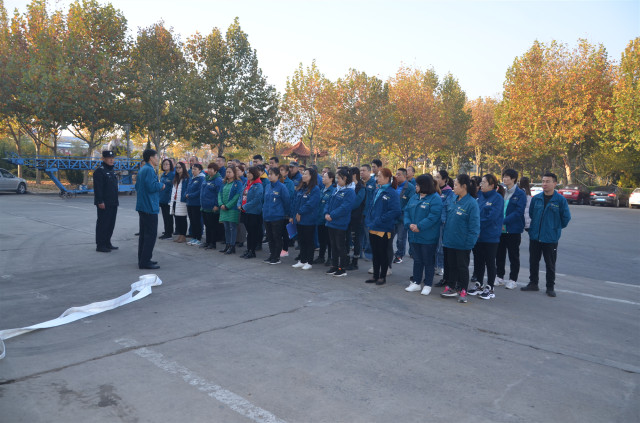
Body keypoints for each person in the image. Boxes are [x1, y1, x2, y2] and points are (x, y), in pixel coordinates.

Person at [522, 172, 571, 297]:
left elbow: (566, 218)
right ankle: (533, 283)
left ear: (555, 183)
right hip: (535, 236)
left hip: (550, 238)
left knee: (550, 264)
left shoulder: (560, 200)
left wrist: (554, 228)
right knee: (533, 261)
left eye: (548, 181)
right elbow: (531, 214)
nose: (544, 184)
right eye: (543, 181)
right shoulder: (536, 198)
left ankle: (550, 287)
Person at [440, 174, 480, 303]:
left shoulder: (471, 203)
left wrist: (470, 243)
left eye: (456, 185)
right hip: (449, 240)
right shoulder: (453, 198)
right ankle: (451, 287)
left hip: (463, 242)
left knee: (462, 267)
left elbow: (474, 226)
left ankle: (463, 290)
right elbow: (446, 214)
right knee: (451, 265)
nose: (454, 187)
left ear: (464, 186)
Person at [404, 174, 442, 295]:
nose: (416, 186)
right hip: (414, 235)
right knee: (417, 260)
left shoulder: (435, 199)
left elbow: (433, 217)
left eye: (418, 185)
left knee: (428, 261)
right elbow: (406, 211)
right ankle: (416, 282)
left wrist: (419, 226)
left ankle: (428, 284)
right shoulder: (414, 197)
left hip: (427, 237)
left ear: (424, 185)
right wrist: (409, 224)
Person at [468, 174, 504, 300]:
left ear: (492, 185)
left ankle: (490, 287)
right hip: (478, 236)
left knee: (490, 261)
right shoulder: (479, 196)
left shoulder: (497, 198)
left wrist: (476, 226)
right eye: (481, 182)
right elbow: (474, 214)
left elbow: (491, 217)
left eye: (484, 182)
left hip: (490, 236)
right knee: (478, 260)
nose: (481, 185)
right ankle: (479, 284)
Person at [365, 167, 401, 285]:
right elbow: (371, 206)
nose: (377, 178)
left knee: (383, 253)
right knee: (375, 253)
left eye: (379, 176)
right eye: (377, 176)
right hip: (373, 226)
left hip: (384, 227)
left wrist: (380, 220)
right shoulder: (378, 190)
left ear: (387, 178)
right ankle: (375, 275)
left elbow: (395, 211)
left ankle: (382, 276)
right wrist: (369, 219)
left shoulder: (392, 192)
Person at [495, 169, 527, 289]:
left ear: (513, 179)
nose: (504, 179)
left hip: (513, 229)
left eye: (507, 177)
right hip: (500, 229)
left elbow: (519, 212)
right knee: (500, 254)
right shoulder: (502, 192)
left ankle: (513, 279)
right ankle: (499, 277)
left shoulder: (520, 194)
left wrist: (503, 221)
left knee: (513, 255)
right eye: (504, 176)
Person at [135, 149, 165, 269]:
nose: (158, 159)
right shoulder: (149, 170)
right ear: (151, 158)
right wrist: (161, 185)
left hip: (143, 205)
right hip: (149, 206)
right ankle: (145, 261)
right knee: (150, 235)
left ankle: (143, 259)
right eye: (156, 156)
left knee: (144, 235)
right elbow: (151, 187)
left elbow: (137, 186)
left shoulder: (143, 169)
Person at [324, 168, 356, 277]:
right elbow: (328, 202)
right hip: (331, 222)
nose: (337, 180)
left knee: (340, 246)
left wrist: (332, 215)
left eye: (339, 178)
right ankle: (334, 266)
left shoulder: (350, 192)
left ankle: (342, 268)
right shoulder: (336, 189)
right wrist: (326, 213)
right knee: (333, 246)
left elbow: (345, 207)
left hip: (340, 223)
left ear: (345, 178)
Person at [290, 168, 321, 270]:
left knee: (309, 240)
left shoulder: (315, 189)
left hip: (308, 219)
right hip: (299, 219)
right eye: (303, 174)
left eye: (305, 174)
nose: (303, 176)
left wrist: (300, 212)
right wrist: (293, 215)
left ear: (311, 176)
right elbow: (294, 202)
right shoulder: (301, 188)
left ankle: (309, 261)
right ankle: (302, 260)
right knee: (301, 240)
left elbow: (311, 204)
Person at [263, 167, 291, 264]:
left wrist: (286, 214)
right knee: (270, 237)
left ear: (277, 175)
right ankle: (272, 255)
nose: (269, 176)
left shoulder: (282, 187)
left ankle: (276, 257)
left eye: (271, 174)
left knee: (277, 237)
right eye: (269, 174)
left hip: (277, 216)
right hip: (267, 216)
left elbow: (286, 201)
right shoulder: (267, 186)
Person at [94, 150, 119, 252]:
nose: (111, 160)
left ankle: (107, 242)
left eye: (112, 158)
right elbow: (98, 188)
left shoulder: (112, 171)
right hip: (104, 203)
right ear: (103, 159)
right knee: (103, 224)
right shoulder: (100, 171)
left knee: (110, 224)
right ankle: (100, 245)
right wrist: (100, 201)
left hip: (113, 202)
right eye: (109, 158)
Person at [238, 166, 264, 259]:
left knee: (253, 232)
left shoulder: (258, 185)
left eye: (250, 173)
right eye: (247, 172)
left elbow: (256, 199)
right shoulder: (246, 183)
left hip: (253, 213)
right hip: (245, 211)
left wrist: (244, 206)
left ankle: (252, 251)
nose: (248, 174)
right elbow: (241, 195)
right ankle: (248, 249)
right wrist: (239, 204)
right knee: (249, 232)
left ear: (254, 174)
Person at [434, 170, 454, 285]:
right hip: (433, 222)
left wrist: (443, 219)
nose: (436, 179)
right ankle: (434, 264)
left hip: (442, 223)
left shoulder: (449, 192)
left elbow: (446, 207)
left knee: (441, 246)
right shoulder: (434, 190)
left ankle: (440, 266)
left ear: (444, 180)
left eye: (438, 177)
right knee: (433, 245)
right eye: (435, 177)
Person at [218, 164, 243, 254]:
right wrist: (221, 204)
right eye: (227, 172)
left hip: (232, 209)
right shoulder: (224, 182)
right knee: (226, 228)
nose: (228, 174)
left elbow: (237, 196)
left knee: (232, 227)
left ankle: (232, 246)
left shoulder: (238, 183)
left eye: (230, 172)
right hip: (223, 208)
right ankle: (227, 245)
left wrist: (228, 205)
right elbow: (219, 194)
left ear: (234, 173)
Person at [314, 170, 336, 265]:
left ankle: (330, 258)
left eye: (325, 177)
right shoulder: (322, 189)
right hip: (320, 218)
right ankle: (321, 256)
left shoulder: (333, 190)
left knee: (329, 240)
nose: (322, 178)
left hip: (327, 219)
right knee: (321, 239)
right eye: (322, 177)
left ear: (331, 179)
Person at [345, 167, 366, 270]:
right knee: (346, 238)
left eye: (349, 173)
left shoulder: (361, 187)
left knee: (355, 239)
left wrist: (345, 207)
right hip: (347, 216)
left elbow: (356, 202)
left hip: (356, 217)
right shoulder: (347, 185)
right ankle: (346, 259)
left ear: (354, 175)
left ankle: (355, 262)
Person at [200, 163, 223, 250]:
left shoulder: (218, 180)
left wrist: (216, 205)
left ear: (215, 171)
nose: (209, 170)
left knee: (212, 226)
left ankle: (213, 243)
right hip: (204, 206)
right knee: (207, 225)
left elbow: (219, 194)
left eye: (211, 169)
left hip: (212, 207)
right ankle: (207, 241)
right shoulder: (206, 178)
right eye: (208, 168)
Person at [393, 168, 414, 264]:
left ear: (405, 176)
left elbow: (410, 202)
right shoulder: (393, 185)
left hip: (402, 216)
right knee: (389, 236)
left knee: (401, 238)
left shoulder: (410, 187)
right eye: (396, 174)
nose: (396, 176)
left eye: (399, 174)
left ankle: (399, 255)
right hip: (392, 216)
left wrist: (402, 210)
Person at [185, 163, 205, 246]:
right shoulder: (191, 178)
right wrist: (186, 194)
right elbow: (187, 188)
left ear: (200, 170)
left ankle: (198, 238)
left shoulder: (201, 178)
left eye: (195, 169)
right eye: (192, 169)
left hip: (197, 203)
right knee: (192, 221)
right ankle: (194, 237)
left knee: (197, 221)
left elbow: (200, 191)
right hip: (189, 203)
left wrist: (190, 195)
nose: (193, 171)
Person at [170, 162, 189, 243]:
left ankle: (183, 236)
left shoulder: (186, 178)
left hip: (182, 201)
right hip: (175, 200)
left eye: (180, 167)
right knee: (177, 219)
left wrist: (184, 197)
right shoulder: (176, 178)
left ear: (183, 168)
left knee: (182, 219)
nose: (178, 169)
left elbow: (187, 189)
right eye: (177, 167)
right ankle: (180, 235)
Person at [279, 164, 296, 257]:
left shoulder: (289, 183)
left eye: (282, 170)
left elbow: (290, 196)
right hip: (277, 210)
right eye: (279, 170)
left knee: (285, 231)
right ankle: (278, 248)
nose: (280, 171)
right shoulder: (276, 181)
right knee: (278, 231)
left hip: (285, 210)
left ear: (286, 172)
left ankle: (285, 249)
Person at [158, 159, 175, 240]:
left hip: (168, 199)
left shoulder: (172, 175)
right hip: (162, 199)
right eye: (164, 164)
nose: (165, 165)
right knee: (165, 216)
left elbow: (173, 187)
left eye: (167, 164)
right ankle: (166, 231)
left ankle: (169, 233)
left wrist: (170, 199)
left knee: (169, 217)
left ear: (170, 165)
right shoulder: (163, 175)